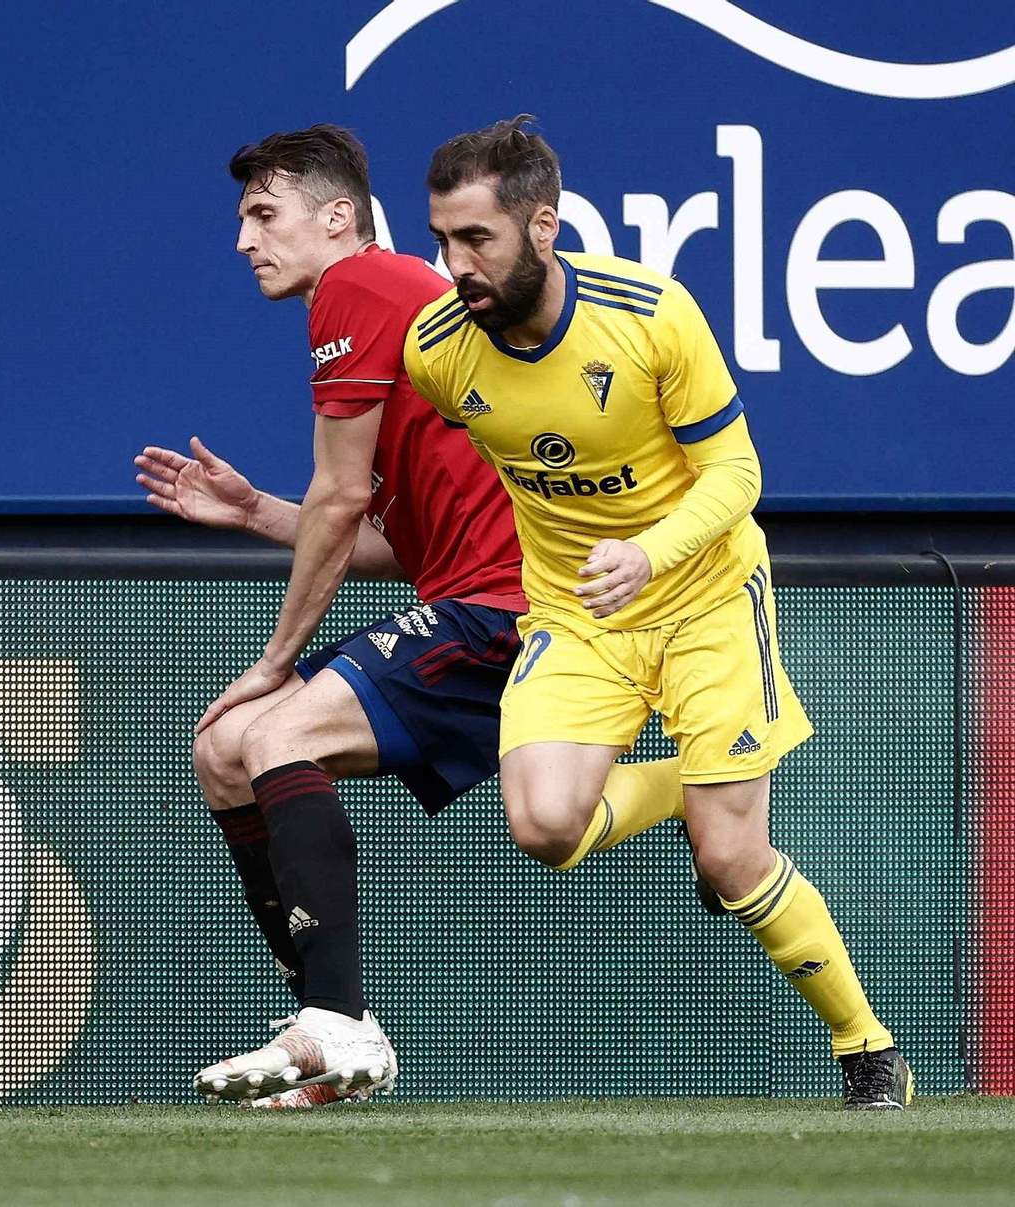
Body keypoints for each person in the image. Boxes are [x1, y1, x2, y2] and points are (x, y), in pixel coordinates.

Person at [134, 125, 685, 1108]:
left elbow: (342, 506)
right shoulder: (401, 309)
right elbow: (398, 540)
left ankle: (337, 1023)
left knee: (272, 732)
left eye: (263, 214)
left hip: (511, 611)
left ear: (337, 217)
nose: (243, 240)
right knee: (223, 749)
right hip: (469, 596)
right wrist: (257, 509)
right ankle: (332, 1026)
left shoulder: (352, 289)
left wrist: (275, 658)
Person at [405, 115, 911, 1109]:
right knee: (543, 825)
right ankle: (687, 786)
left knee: (733, 860)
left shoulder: (648, 315)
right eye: (442, 239)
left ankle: (868, 1050)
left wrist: (648, 553)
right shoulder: (437, 353)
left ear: (541, 226)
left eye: (477, 239)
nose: (453, 262)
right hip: (578, 616)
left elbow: (737, 471)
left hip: (706, 597)